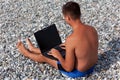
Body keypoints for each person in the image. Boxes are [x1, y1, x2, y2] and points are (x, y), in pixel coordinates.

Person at [17, 1, 98, 78]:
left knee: (45, 57)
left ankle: (27, 53)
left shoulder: (72, 39)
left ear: (68, 18)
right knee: (60, 49)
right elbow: (84, 47)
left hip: (78, 72)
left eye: (64, 18)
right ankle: (34, 49)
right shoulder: (92, 29)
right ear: (79, 14)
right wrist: (69, 47)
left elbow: (68, 68)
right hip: (91, 67)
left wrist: (58, 56)